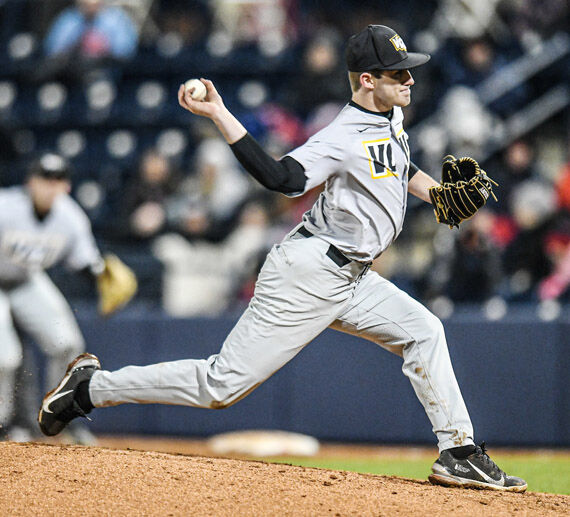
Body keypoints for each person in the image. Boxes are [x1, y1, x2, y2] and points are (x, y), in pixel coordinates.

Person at [38, 25, 527, 492]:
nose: (410, 79)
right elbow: (282, 178)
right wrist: (220, 115)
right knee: (220, 386)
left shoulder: (389, 117)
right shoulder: (342, 135)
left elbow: (401, 165)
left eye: (407, 70)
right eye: (398, 72)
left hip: (353, 276)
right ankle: (90, 389)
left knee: (425, 331)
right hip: (309, 273)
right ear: (366, 80)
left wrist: (439, 194)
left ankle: (459, 453)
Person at [0, 153, 135, 444]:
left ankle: (57, 416)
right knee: (5, 357)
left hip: (26, 279)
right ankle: (5, 425)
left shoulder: (69, 216)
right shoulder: (5, 207)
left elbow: (85, 262)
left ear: (67, 186)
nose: (50, 186)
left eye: (57, 180)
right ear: (30, 182)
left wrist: (102, 276)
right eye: (44, 179)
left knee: (67, 344)